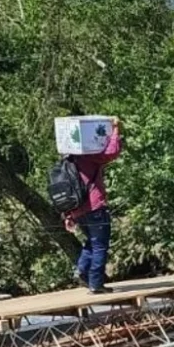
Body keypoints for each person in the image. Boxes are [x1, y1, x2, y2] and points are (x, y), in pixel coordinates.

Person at [64, 118, 124, 294]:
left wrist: (68, 215)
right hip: (94, 206)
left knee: (92, 241)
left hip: (77, 210)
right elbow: (111, 152)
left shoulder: (68, 159)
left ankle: (82, 271)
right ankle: (96, 284)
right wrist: (115, 130)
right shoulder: (88, 155)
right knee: (100, 245)